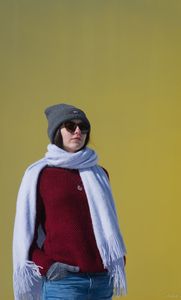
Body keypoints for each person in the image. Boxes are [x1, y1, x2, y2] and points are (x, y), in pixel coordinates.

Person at [13, 103, 127, 300]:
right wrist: (47, 267)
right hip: (64, 283)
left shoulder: (99, 174)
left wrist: (118, 261)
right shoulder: (40, 175)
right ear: (57, 131)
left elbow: (110, 222)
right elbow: (25, 234)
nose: (77, 131)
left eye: (83, 127)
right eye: (70, 126)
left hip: (102, 280)